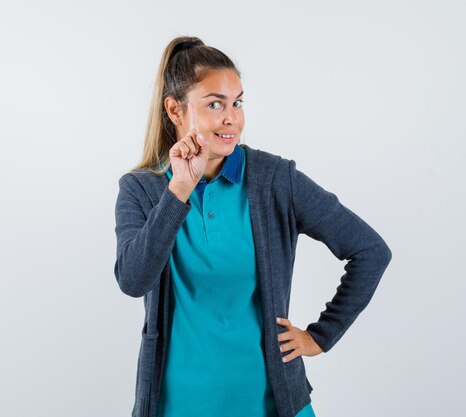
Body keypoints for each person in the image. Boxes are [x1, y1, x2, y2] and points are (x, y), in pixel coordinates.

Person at [113, 36, 392, 417]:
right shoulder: (141, 189)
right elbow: (132, 280)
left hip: (273, 404)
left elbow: (370, 251)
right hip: (179, 405)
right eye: (215, 104)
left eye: (237, 103)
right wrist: (179, 189)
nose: (232, 118)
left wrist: (320, 337)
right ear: (175, 110)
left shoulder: (275, 179)